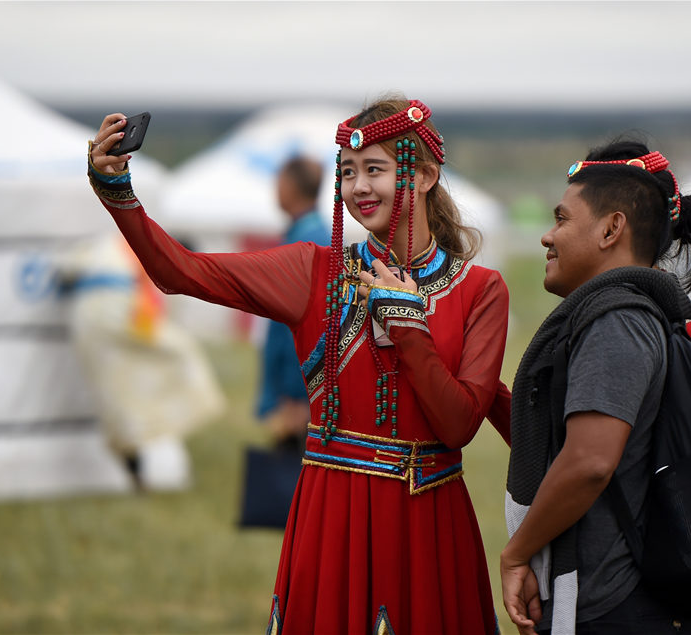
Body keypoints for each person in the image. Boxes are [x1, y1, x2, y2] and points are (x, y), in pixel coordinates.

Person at [88, 97, 509, 635]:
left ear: (424, 175)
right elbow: (180, 271)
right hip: (331, 516)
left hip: (428, 521)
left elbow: (457, 426)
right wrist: (117, 190)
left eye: (374, 169)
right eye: (349, 172)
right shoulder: (312, 272)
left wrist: (405, 324)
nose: (358, 187)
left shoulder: (480, 291)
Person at [500, 139, 691, 635]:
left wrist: (516, 555)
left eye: (561, 219)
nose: (546, 236)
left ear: (611, 228)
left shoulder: (616, 320)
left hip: (622, 609)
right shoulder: (636, 315)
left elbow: (589, 463)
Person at [57, 233, 226, 491]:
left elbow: (67, 267)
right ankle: (140, 466)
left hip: (90, 323)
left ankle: (136, 471)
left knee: (118, 402)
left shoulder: (115, 243)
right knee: (178, 355)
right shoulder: (145, 265)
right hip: (121, 317)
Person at [258, 155, 329, 451]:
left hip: (299, 395)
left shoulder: (308, 241)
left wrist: (298, 395)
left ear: (291, 186)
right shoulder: (306, 233)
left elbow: (309, 324)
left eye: (278, 180)